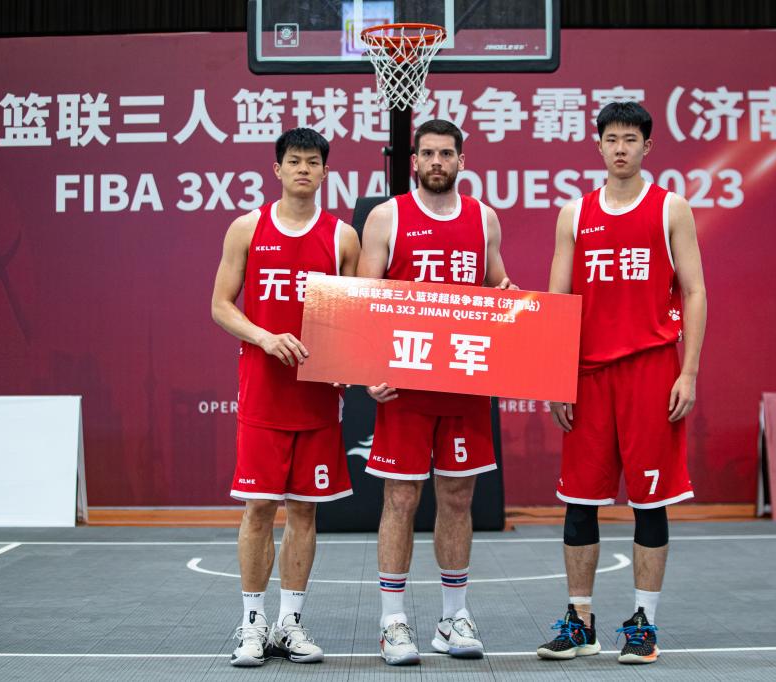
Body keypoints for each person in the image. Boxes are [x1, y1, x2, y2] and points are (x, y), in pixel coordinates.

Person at [537, 101, 706, 665]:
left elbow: (695, 292)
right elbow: (558, 300)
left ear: (646, 146)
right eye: (611, 139)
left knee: (649, 502)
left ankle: (643, 624)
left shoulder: (670, 208)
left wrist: (688, 370)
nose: (620, 148)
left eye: (630, 139)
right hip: (588, 376)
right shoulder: (574, 213)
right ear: (599, 145)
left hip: (651, 371)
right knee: (579, 501)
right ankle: (579, 622)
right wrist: (555, 375)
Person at [356, 118, 515, 665]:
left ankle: (454, 616)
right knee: (401, 499)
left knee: (458, 497)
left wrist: (509, 295)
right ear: (415, 161)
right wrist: (369, 368)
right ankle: (393, 622)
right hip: (406, 385)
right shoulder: (387, 217)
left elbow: (497, 285)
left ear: (461, 161)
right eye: (428, 154)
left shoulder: (483, 218)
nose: (437, 162)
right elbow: (363, 301)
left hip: (464, 381)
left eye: (446, 154)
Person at [210, 128, 360, 667]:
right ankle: (252, 625)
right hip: (263, 393)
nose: (303, 169)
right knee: (258, 508)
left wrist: (350, 365)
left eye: (313, 162)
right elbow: (221, 305)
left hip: (317, 398)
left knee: (304, 512)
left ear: (325, 171)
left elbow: (355, 316)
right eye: (294, 161)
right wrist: (264, 337)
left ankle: (290, 622)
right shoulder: (248, 227)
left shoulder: (342, 237)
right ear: (277, 169)